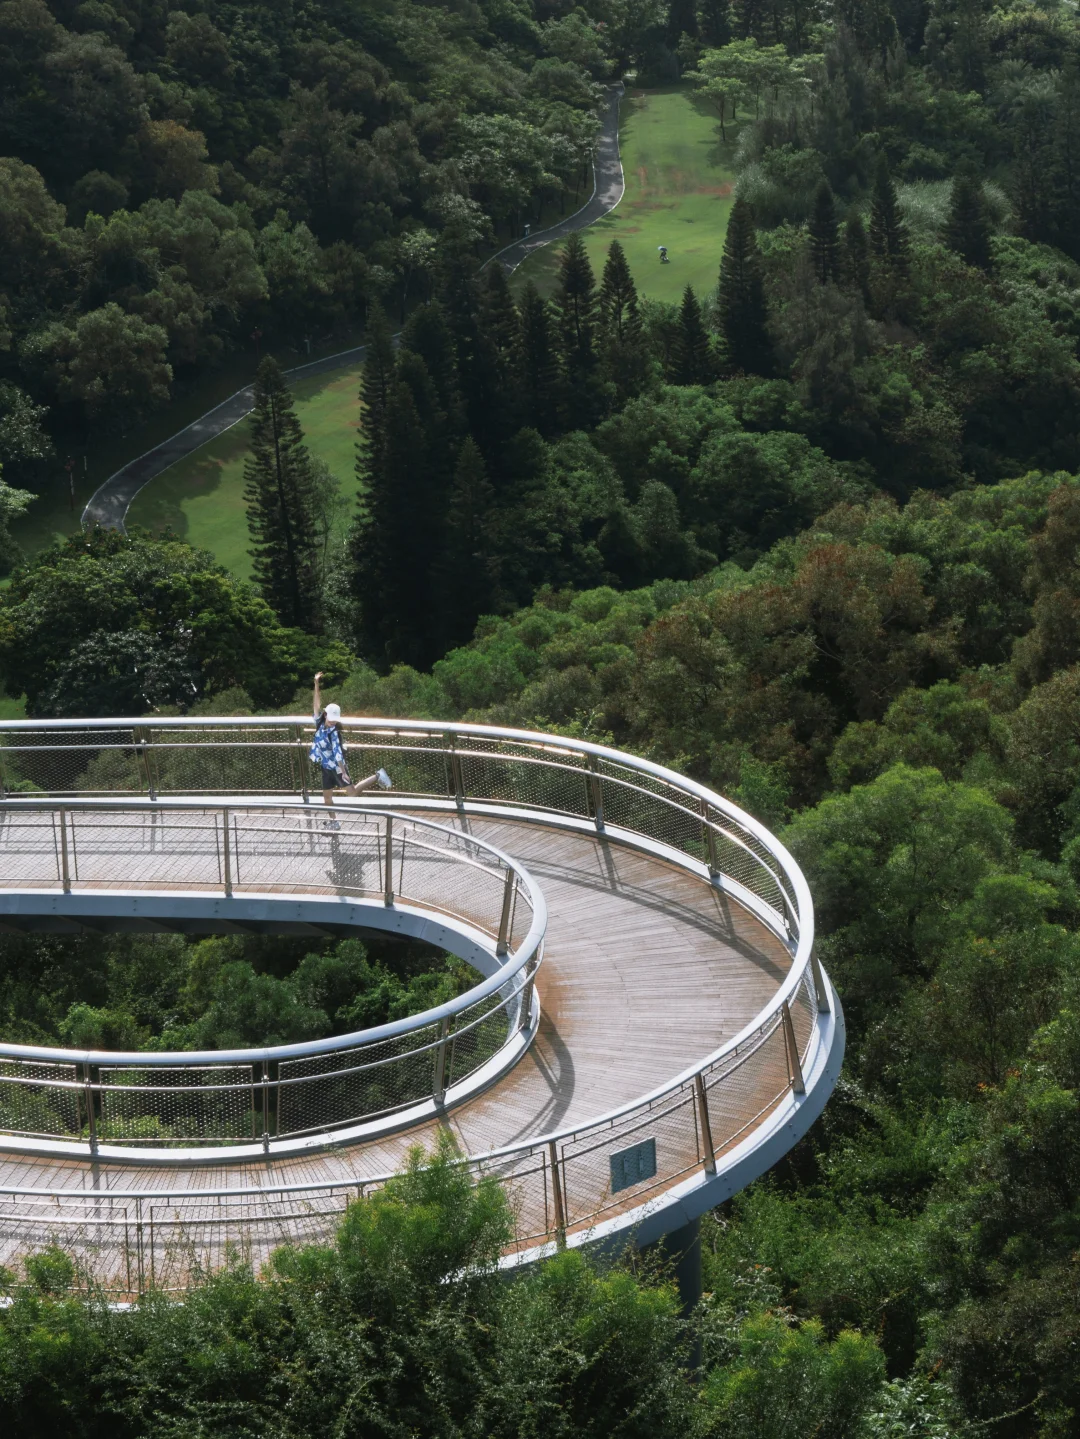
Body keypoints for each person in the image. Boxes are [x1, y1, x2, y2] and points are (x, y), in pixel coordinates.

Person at [311, 672, 392, 828]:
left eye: (335, 719)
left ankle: (377, 775)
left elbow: (338, 754)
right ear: (326, 714)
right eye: (331, 718)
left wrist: (344, 772)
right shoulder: (319, 723)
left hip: (337, 767)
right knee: (327, 799)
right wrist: (316, 684)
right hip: (326, 767)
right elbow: (316, 704)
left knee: (352, 793)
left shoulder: (334, 733)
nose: (333, 721)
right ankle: (334, 822)